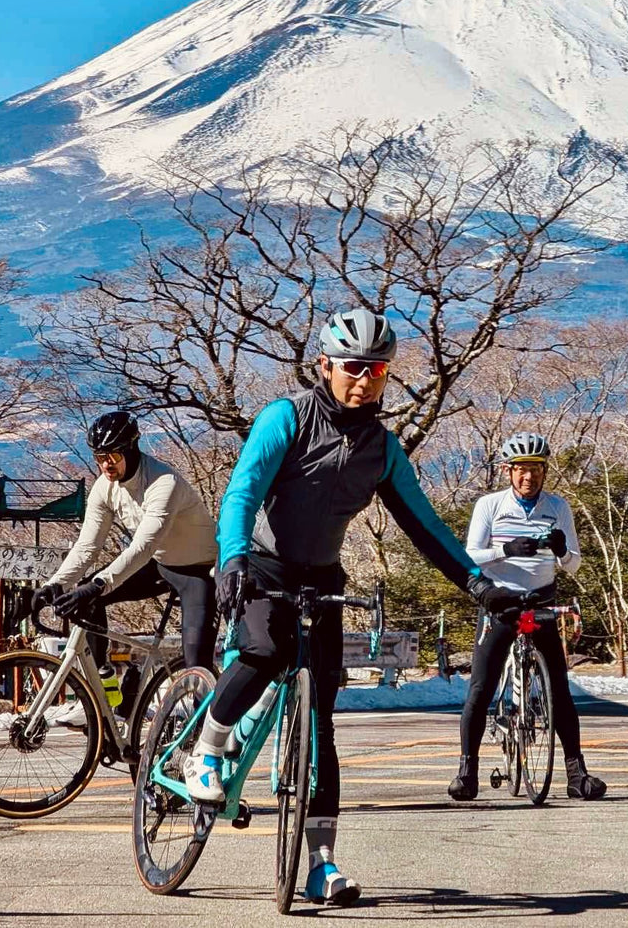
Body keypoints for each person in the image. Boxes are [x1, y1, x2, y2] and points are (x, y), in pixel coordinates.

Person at [181, 309, 520, 907]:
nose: (364, 380)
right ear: (326, 366)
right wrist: (232, 559)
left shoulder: (381, 448)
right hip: (260, 565)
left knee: (321, 726)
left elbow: (425, 526)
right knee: (262, 649)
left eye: (377, 370)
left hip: (323, 579)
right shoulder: (285, 418)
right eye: (353, 367)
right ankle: (206, 747)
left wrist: (477, 584)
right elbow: (242, 491)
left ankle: (321, 865)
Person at [447, 431, 606, 802]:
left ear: (544, 471)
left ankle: (575, 772)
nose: (528, 477)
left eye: (535, 469)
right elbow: (469, 555)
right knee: (481, 688)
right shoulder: (490, 505)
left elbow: (575, 566)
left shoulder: (558, 506)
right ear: (508, 471)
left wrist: (564, 551)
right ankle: (466, 772)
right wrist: (505, 549)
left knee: (560, 691)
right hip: (501, 604)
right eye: (520, 469)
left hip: (542, 603)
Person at [33, 410, 218, 726]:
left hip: (198, 570)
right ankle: (106, 691)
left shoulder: (164, 483)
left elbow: (142, 548)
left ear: (131, 449)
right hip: (159, 564)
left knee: (195, 661)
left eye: (113, 455)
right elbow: (88, 546)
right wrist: (56, 584)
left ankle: (206, 738)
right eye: (100, 457)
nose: (106, 464)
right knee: (87, 594)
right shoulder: (104, 488)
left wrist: (99, 584)